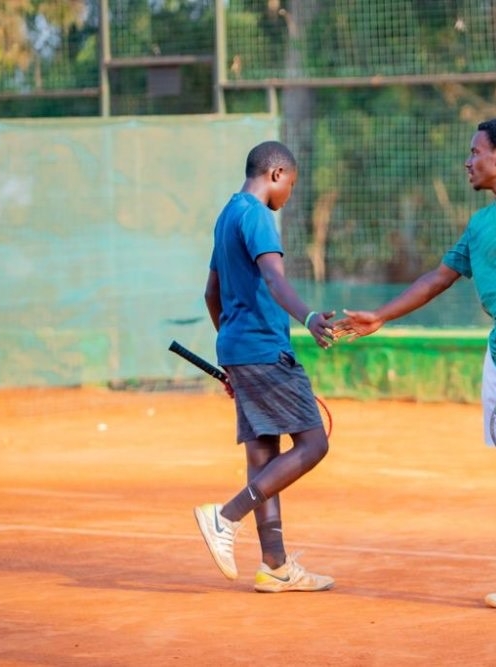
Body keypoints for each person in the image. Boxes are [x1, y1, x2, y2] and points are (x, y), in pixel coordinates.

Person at [334, 118, 496, 623]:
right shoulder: (479, 225)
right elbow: (439, 277)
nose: (468, 161)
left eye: (475, 152)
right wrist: (380, 316)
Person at [194, 140, 335, 593]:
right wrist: (309, 316)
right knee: (314, 444)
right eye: (290, 185)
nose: (288, 194)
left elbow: (210, 294)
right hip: (265, 349)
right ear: (276, 174)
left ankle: (274, 565)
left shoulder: (226, 215)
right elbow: (274, 277)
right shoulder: (257, 215)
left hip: (238, 348)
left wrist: (230, 355)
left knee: (263, 455)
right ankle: (225, 516)